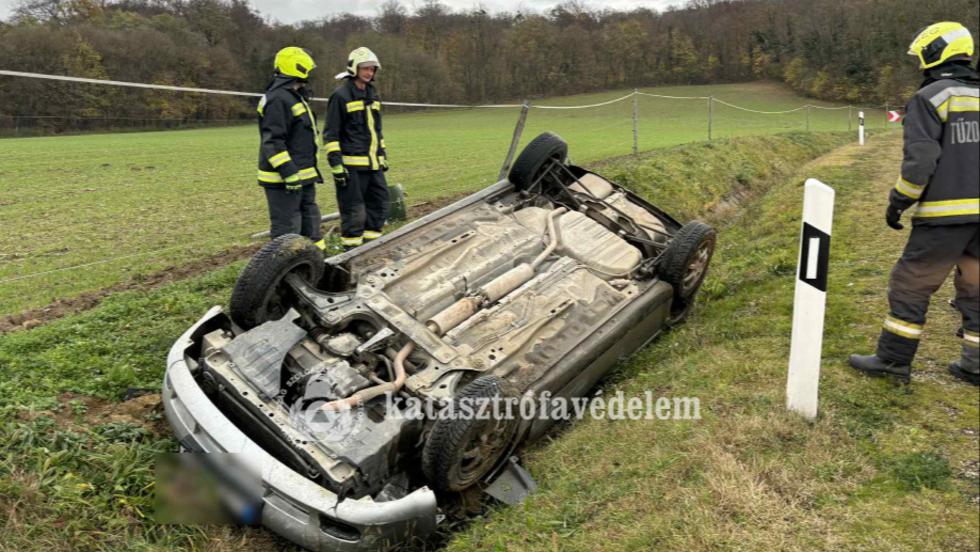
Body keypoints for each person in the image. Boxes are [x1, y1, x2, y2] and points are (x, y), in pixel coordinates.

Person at [849, 22, 979, 385]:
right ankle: (975, 366)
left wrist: (898, 202)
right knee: (976, 289)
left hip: (944, 218)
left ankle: (893, 361)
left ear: (935, 52)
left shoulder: (930, 97)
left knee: (911, 284)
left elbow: (920, 163)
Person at [256, 46, 325, 249]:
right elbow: (273, 141)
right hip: (283, 180)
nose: (309, 74)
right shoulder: (278, 99)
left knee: (311, 225)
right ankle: (287, 268)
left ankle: (317, 261)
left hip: (303, 176)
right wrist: (288, 172)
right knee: (287, 231)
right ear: (297, 67)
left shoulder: (294, 96)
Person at [323, 47, 389, 250]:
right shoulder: (340, 96)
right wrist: (336, 165)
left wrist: (382, 155)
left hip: (373, 165)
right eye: (365, 68)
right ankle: (351, 254)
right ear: (354, 69)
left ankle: (371, 249)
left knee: (379, 206)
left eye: (372, 69)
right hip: (351, 167)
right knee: (355, 213)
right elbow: (331, 134)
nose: (369, 73)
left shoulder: (372, 94)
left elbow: (376, 130)